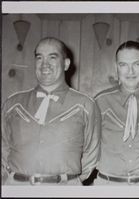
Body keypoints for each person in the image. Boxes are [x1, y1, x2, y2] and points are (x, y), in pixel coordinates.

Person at [1, 37, 101, 185]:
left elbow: (92, 153)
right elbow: (3, 146)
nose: (44, 64)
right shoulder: (13, 103)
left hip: (64, 189)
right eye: (39, 58)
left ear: (66, 64)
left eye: (52, 57)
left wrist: (72, 182)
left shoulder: (85, 105)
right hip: (18, 187)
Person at [94, 41, 139, 185]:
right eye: (123, 65)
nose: (130, 71)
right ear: (116, 67)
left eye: (136, 64)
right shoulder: (100, 102)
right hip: (107, 187)